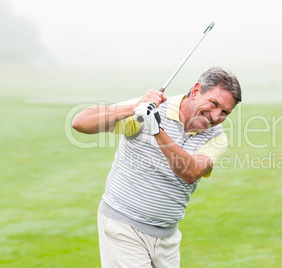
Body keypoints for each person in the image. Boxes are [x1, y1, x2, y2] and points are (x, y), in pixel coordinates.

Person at [72, 66, 242, 267]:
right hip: (123, 226)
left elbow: (190, 172)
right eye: (213, 104)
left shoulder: (217, 138)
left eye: (224, 112)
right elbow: (80, 122)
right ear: (196, 90)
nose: (215, 116)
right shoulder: (149, 109)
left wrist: (156, 129)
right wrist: (136, 106)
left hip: (167, 238)